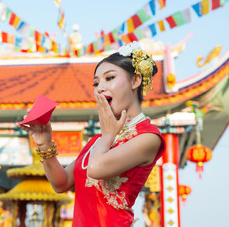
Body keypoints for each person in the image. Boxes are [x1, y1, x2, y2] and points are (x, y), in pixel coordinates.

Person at [16, 42, 165, 227]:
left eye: (109, 78)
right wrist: (44, 144)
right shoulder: (99, 140)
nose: (99, 88)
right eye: (96, 83)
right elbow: (61, 183)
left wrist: (107, 135)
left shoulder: (148, 137)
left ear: (135, 81)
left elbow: (96, 169)